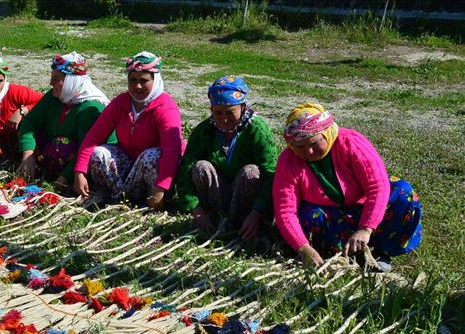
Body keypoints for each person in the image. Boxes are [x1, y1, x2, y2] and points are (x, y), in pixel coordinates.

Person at [273, 103, 421, 270]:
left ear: (326, 134)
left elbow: (377, 187)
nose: (309, 152)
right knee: (308, 214)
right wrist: (303, 247)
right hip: (331, 219)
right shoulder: (288, 161)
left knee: (403, 192)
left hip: (364, 210)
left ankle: (379, 251)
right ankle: (333, 254)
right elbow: (285, 210)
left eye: (314, 143)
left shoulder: (351, 143)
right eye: (300, 147)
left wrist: (366, 228)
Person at [71, 51, 184, 210]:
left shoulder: (165, 108)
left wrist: (161, 188)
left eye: (144, 81)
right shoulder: (121, 103)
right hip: (128, 166)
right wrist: (80, 171)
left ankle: (150, 201)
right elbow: (93, 137)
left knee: (152, 157)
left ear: (155, 80)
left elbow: (172, 151)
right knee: (98, 154)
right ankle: (120, 199)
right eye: (133, 80)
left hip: (154, 174)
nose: (137, 86)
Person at [176, 76, 279, 239]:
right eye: (218, 113)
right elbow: (186, 168)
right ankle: (216, 218)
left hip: (248, 204)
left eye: (231, 112)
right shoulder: (205, 130)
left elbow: (271, 173)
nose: (224, 119)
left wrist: (257, 213)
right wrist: (196, 210)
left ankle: (247, 224)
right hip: (219, 198)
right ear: (211, 109)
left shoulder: (257, 130)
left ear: (243, 107)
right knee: (201, 167)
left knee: (251, 172)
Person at [18, 52, 111, 190]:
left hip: (82, 164)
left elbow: (86, 150)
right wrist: (28, 153)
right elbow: (30, 121)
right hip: (55, 155)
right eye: (52, 77)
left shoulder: (90, 109)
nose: (51, 83)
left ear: (71, 82)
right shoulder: (56, 96)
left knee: (61, 145)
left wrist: (60, 182)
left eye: (56, 79)